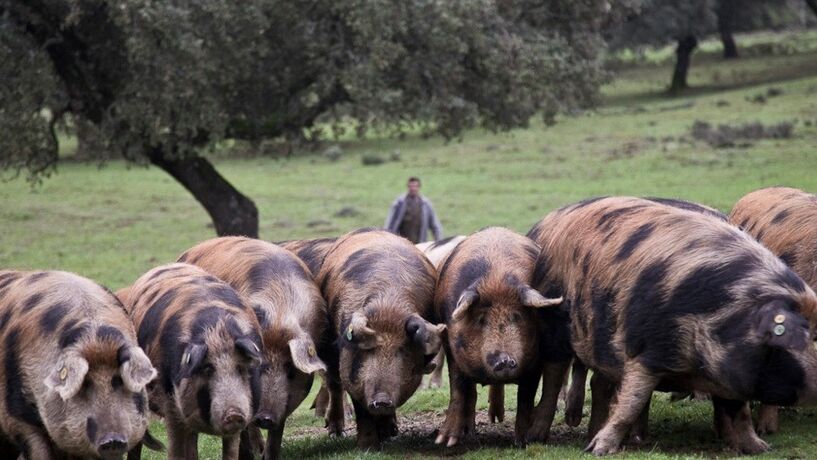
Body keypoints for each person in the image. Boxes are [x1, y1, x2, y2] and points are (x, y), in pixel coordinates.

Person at [384, 177, 443, 243]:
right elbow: (389, 224)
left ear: (419, 187)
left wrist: (439, 242)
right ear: (408, 187)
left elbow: (435, 225)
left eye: (415, 186)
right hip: (401, 243)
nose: (413, 188)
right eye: (411, 186)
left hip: (420, 243)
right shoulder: (399, 203)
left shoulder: (426, 204)